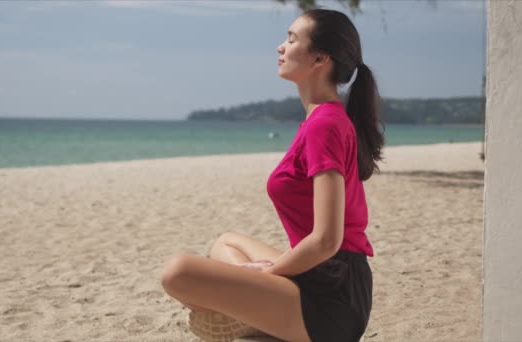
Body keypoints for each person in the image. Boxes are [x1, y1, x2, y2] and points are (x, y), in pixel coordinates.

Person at [161, 7, 384, 342]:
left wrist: (272, 271)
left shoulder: (325, 125)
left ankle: (249, 315)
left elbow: (326, 240)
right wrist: (264, 274)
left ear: (319, 59)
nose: (281, 47)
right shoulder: (323, 118)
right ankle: (250, 314)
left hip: (332, 297)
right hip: (324, 277)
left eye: (292, 39)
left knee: (176, 271)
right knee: (227, 242)